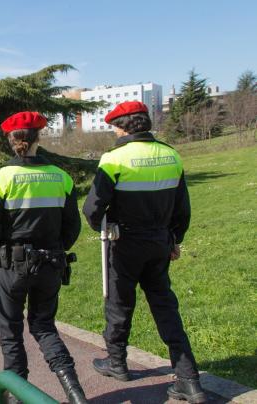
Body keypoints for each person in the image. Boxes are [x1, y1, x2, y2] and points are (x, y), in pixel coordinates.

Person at [83, 101, 206, 403]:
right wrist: (174, 239)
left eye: (114, 126)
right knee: (166, 308)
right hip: (160, 242)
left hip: (125, 243)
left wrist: (104, 226)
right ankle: (189, 379)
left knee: (119, 305)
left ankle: (117, 362)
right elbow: (182, 208)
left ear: (123, 126)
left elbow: (92, 209)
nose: (113, 131)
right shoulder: (171, 154)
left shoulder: (114, 159)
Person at [0, 111, 87, 404]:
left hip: (12, 267)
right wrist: (55, 248)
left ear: (12, 141)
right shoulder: (61, 177)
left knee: (11, 331)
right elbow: (72, 226)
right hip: (51, 264)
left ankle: (15, 392)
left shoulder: (3, 178)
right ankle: (76, 393)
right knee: (44, 326)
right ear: (39, 138)